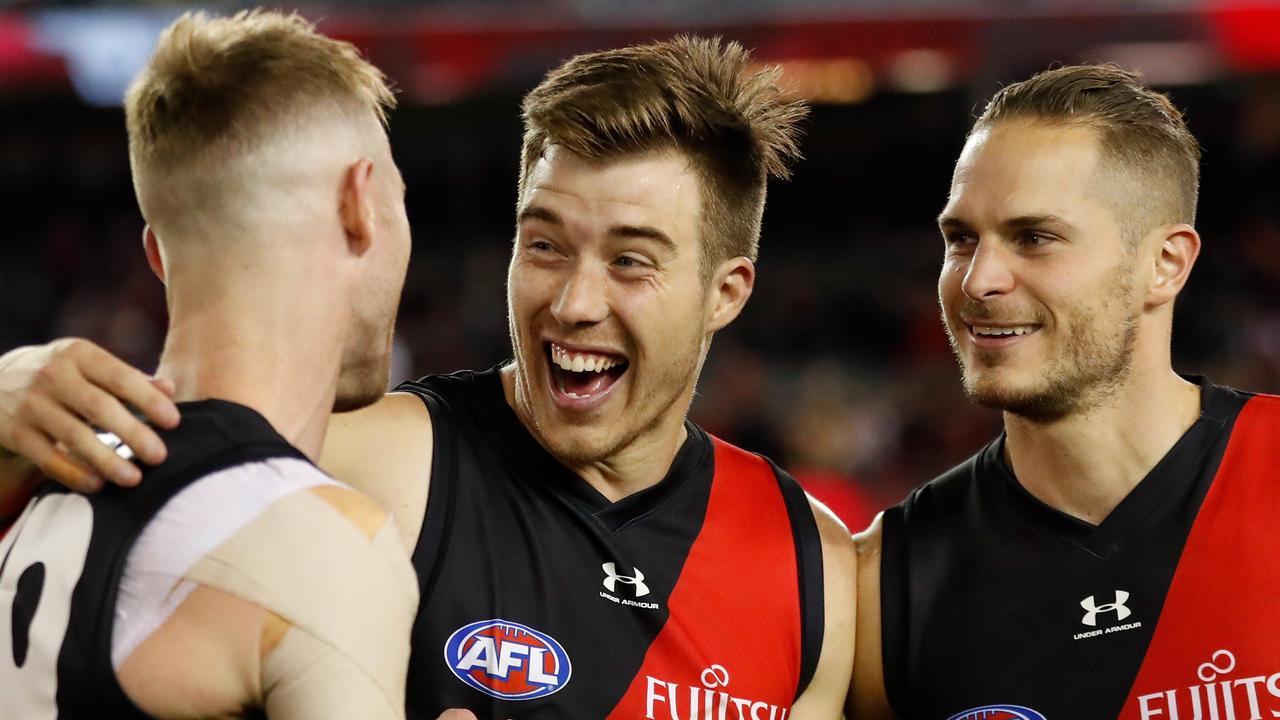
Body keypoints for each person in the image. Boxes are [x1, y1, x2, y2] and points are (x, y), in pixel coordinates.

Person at [0, 35, 857, 718]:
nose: (573, 302)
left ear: (725, 293)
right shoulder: (367, 466)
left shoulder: (811, 565)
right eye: (545, 244)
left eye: (632, 261)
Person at [0, 10, 419, 719]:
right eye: (401, 201)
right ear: (359, 205)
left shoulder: (32, 508)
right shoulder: (325, 549)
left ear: (157, 256)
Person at [848, 64, 1280, 719]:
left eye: (1034, 238)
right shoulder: (885, 582)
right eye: (961, 240)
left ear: (1165, 265)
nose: (978, 281)